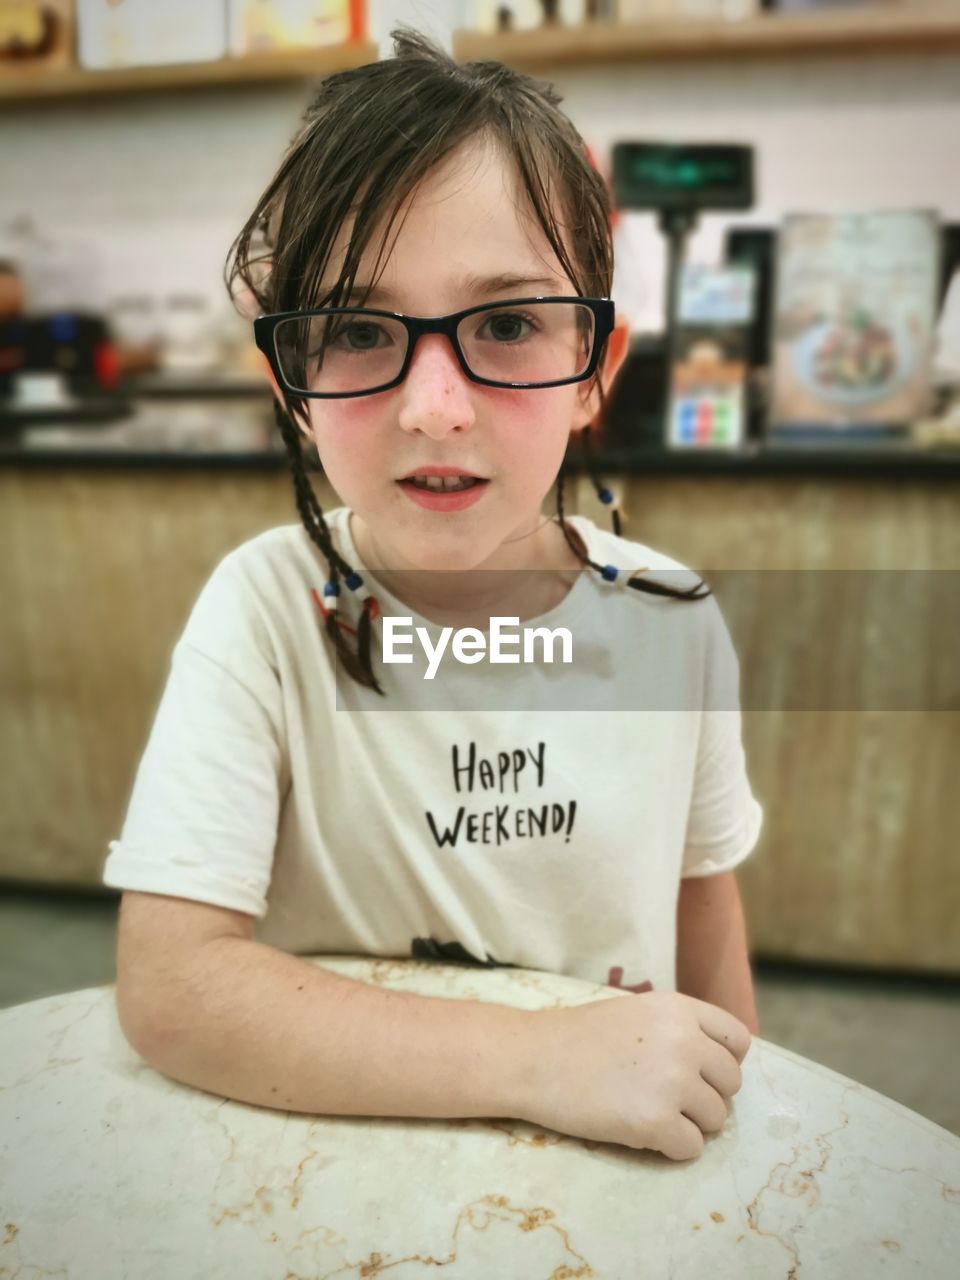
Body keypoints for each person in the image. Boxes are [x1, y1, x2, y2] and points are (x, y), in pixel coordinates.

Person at [105, 27, 762, 1163]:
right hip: (336, 1151)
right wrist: (540, 1061)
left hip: (613, 1171)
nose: (436, 407)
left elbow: (704, 905)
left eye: (507, 324)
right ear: (291, 379)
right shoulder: (265, 609)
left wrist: (730, 1087)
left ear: (598, 366)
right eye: (360, 331)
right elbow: (172, 985)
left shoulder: (672, 617)